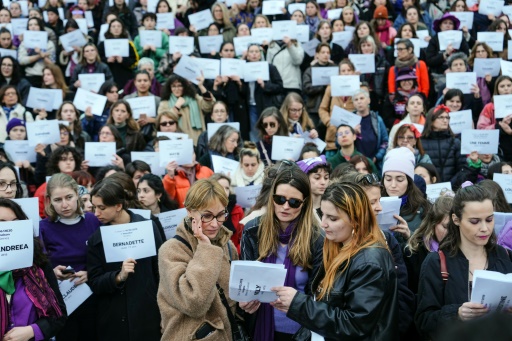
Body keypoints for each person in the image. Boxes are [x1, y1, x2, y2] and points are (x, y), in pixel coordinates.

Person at [272, 182, 398, 339]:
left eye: (332, 218)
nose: (323, 224)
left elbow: (355, 325)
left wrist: (298, 304)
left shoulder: (369, 261)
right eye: (322, 214)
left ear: (356, 220)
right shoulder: (339, 247)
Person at [415, 184, 512, 339]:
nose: (485, 228)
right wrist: (456, 313)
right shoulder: (436, 262)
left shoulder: (505, 255)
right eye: (475, 221)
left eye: (489, 219)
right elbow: (424, 321)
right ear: (456, 219)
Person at [240, 165, 324, 340]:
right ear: (271, 199)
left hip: (301, 332)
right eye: (279, 199)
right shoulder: (253, 231)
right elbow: (245, 283)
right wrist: (245, 300)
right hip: (259, 326)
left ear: (305, 203)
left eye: (294, 202)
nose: (285, 207)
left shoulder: (317, 239)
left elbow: (318, 296)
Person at [157, 178, 238, 339]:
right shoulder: (171, 250)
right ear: (189, 211)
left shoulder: (227, 245)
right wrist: (205, 249)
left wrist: (247, 302)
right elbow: (193, 303)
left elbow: (233, 297)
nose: (215, 224)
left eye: (221, 214)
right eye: (207, 216)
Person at [87, 177, 163, 341]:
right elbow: (94, 282)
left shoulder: (148, 227)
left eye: (102, 208)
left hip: (147, 317)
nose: (96, 213)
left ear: (118, 206)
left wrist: (165, 313)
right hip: (114, 322)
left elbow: (161, 272)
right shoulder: (96, 240)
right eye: (94, 207)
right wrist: (118, 277)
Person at [39, 173, 101, 340]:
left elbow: (104, 259)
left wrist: (90, 273)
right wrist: (52, 272)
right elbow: (38, 268)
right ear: (49, 200)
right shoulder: (43, 228)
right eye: (58, 200)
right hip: (62, 301)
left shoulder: (93, 221)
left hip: (93, 297)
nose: (65, 205)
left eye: (69, 197)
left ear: (77, 195)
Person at [0, 198, 67, 341]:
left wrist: (32, 331)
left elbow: (59, 315)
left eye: (15, 222)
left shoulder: (38, 264)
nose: (10, 228)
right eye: (2, 223)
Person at [382, 147, 432, 245]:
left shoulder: (424, 209)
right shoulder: (374, 205)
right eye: (388, 179)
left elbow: (431, 249)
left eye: (399, 179)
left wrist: (410, 235)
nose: (393, 185)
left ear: (409, 182)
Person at [405, 194, 453, 294]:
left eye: (455, 228)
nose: (451, 232)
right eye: (445, 227)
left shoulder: (465, 250)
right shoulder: (413, 251)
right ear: (433, 223)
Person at [243, 43, 284, 141]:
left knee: (268, 129)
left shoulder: (269, 68)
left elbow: (279, 86)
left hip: (265, 105)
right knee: (254, 131)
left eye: (256, 51)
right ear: (247, 55)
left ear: (260, 54)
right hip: (249, 106)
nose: (254, 54)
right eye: (251, 52)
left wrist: (265, 86)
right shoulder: (244, 68)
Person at [158, 74, 214, 145]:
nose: (176, 89)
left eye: (179, 86)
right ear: (170, 88)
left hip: (197, 140)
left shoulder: (194, 98)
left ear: (185, 87)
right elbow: (163, 121)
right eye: (173, 86)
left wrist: (201, 86)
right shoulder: (164, 103)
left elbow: (208, 106)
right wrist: (176, 107)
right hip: (176, 142)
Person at [421, 105, 466, 182]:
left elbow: (462, 169)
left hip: (452, 188)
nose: (445, 120)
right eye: (441, 117)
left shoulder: (455, 142)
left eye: (447, 117)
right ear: (431, 121)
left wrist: (451, 185)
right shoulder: (421, 142)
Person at [297, 155, 331, 223]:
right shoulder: (297, 209)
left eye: (326, 178)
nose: (323, 182)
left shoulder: (332, 206)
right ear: (305, 179)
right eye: (317, 178)